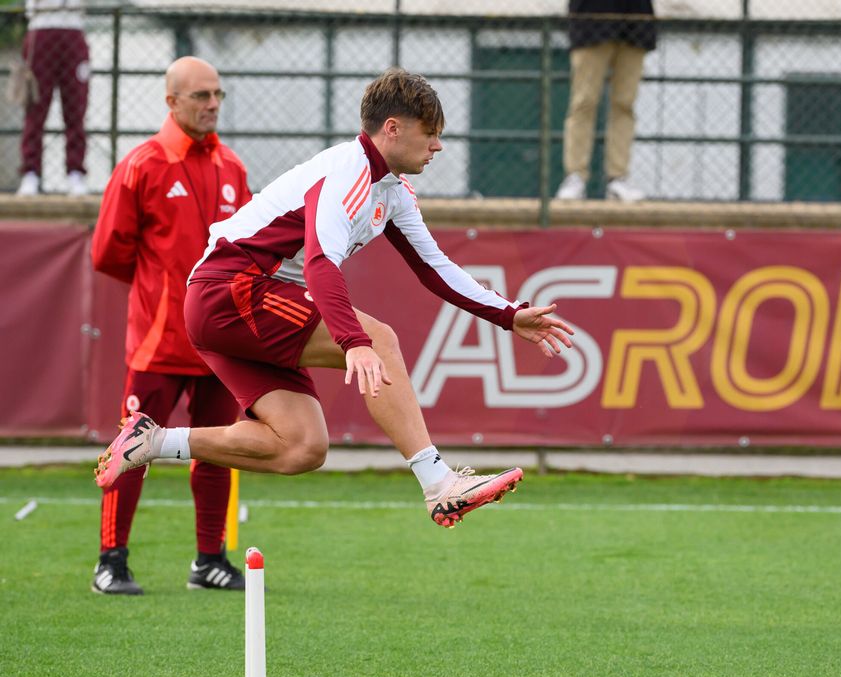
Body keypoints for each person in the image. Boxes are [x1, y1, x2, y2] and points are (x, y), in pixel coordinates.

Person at [95, 68, 574, 530]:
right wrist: (354, 341)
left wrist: (510, 315)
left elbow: (435, 269)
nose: (438, 145)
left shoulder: (393, 189)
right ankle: (438, 481)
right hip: (231, 290)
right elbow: (321, 264)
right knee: (379, 339)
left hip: (236, 302)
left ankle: (154, 441)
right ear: (393, 128)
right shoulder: (347, 172)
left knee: (302, 447)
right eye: (430, 133)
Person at [90, 57, 251, 595]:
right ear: (171, 102)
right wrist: (161, 297)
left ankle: (210, 560)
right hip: (158, 346)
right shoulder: (142, 164)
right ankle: (111, 562)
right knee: (131, 450)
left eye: (218, 94)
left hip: (219, 346)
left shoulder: (232, 167)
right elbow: (108, 253)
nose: (212, 105)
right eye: (201, 95)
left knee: (219, 448)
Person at [555, 0, 656, 203]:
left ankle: (618, 178)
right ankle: (575, 177)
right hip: (590, 21)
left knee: (624, 105)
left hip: (635, 22)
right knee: (583, 103)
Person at [16, 0, 90, 197]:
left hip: (74, 25)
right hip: (41, 24)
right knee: (35, 108)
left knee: (76, 107)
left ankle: (75, 171)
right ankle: (30, 172)